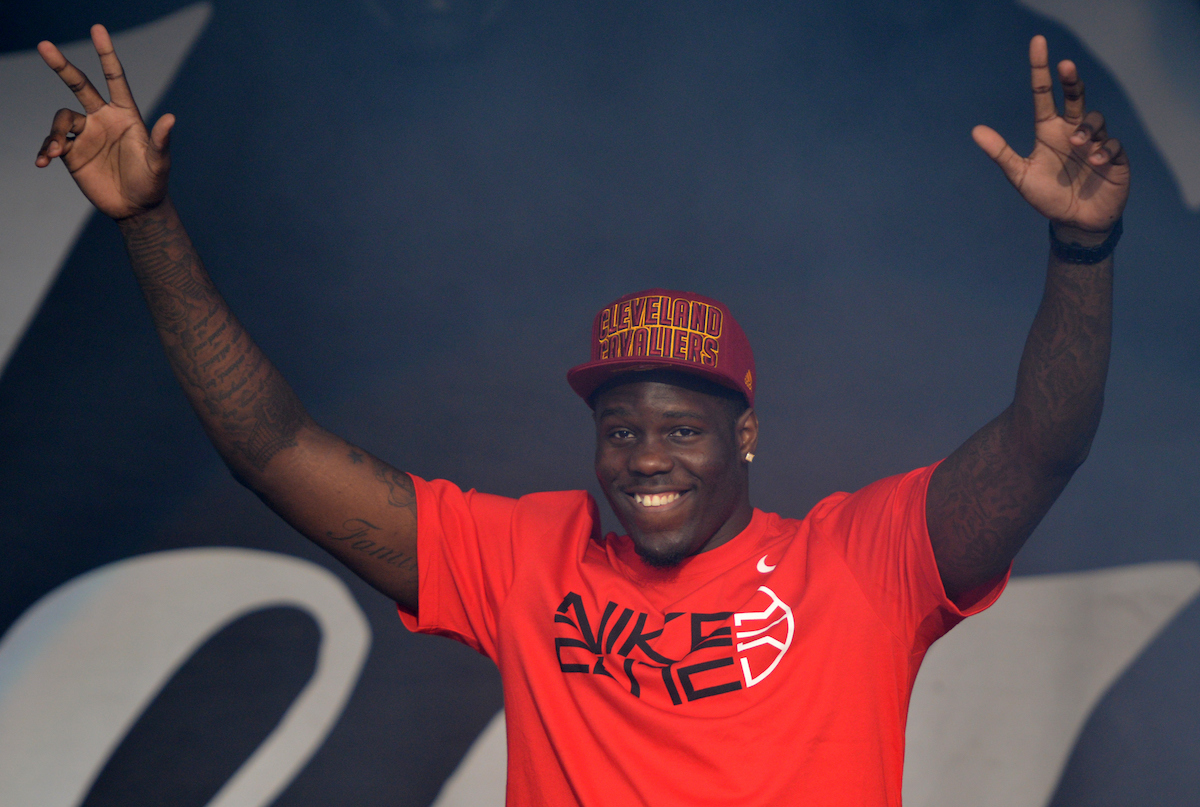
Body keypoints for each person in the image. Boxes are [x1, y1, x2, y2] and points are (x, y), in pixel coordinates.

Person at [35, 24, 1128, 806]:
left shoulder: (861, 563)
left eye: (684, 430)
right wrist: (148, 223)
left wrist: (1081, 251)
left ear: (745, 434)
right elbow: (270, 448)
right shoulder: (525, 558)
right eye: (622, 429)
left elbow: (1041, 446)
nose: (647, 457)